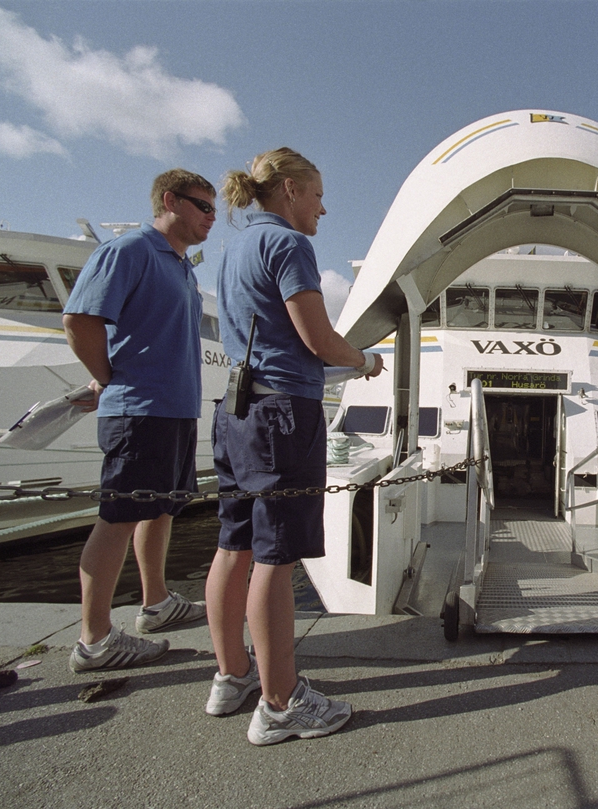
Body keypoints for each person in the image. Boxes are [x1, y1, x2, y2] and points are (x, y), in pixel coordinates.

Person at [206, 147, 384, 745]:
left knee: (233, 544)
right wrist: (364, 360)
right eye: (317, 195)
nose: (323, 209)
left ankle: (232, 676)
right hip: (282, 417)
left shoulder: (235, 246)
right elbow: (318, 339)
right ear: (288, 190)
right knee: (275, 557)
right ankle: (280, 704)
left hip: (236, 412)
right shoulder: (287, 245)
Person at [62, 169, 216, 672]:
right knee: (118, 517)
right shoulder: (129, 251)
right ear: (169, 200)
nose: (212, 217)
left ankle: (157, 604)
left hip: (174, 411)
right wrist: (107, 378)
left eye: (214, 209)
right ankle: (95, 641)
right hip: (139, 410)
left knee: (161, 509)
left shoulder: (182, 267)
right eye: (203, 206)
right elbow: (79, 320)